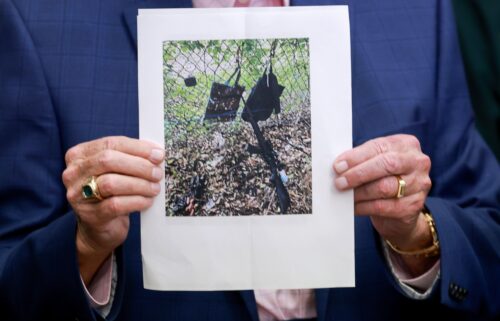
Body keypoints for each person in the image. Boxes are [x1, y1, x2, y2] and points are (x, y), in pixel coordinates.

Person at [0, 0, 498, 320]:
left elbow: (488, 234)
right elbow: (12, 276)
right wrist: (86, 245)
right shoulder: (40, 18)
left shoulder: (412, 11)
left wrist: (418, 238)